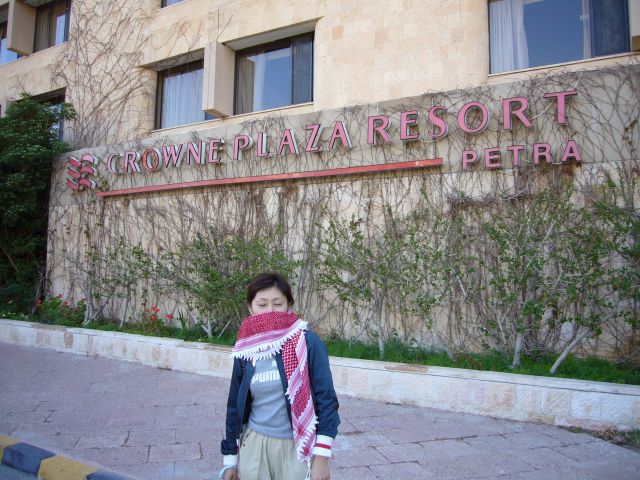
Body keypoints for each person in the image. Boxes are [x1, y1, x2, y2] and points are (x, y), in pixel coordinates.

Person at [220, 272, 340, 480]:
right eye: (262, 304)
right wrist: (230, 460)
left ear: (288, 305)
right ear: (250, 308)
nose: (270, 311)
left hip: (297, 447)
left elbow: (326, 400)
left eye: (277, 303)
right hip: (255, 445)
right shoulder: (246, 349)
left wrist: (321, 458)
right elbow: (235, 405)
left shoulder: (308, 343)